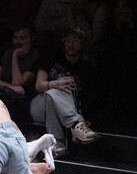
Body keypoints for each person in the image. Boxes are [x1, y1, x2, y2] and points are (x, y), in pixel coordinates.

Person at [30, 26, 99, 157]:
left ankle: (58, 144)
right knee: (54, 90)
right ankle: (76, 125)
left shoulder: (86, 68)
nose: (71, 44)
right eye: (68, 40)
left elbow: (86, 100)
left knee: (53, 95)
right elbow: (39, 85)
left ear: (82, 44)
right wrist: (54, 84)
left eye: (75, 41)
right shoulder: (52, 58)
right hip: (39, 106)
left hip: (62, 110)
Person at [0, 26, 41, 126]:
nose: (18, 42)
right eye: (15, 38)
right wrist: (11, 87)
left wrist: (15, 56)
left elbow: (17, 81)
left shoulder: (36, 56)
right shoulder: (6, 54)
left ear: (32, 38)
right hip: (5, 96)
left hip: (25, 102)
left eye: (22, 38)